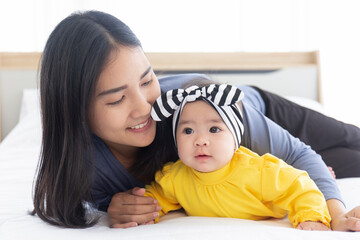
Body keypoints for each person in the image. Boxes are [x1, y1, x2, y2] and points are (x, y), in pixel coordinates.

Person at [32, 10, 360, 230]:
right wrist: (115, 207)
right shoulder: (85, 168)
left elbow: (299, 156)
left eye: (147, 81)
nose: (144, 106)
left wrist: (338, 214)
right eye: (117, 98)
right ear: (75, 111)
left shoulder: (194, 105)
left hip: (255, 112)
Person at [145, 83, 331, 230]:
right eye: (188, 130)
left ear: (235, 141)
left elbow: (300, 187)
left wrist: (312, 216)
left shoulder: (259, 171)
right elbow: (156, 197)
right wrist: (144, 212)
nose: (200, 140)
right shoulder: (174, 177)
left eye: (214, 129)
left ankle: (327, 169)